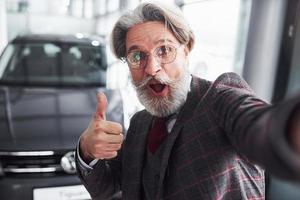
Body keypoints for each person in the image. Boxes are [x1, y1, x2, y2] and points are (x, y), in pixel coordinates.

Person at [75, 2, 300, 200]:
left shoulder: (219, 99)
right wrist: (86, 151)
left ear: (187, 50)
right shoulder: (138, 125)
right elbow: (108, 190)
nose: (152, 68)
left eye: (164, 50)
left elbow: (256, 124)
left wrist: (289, 129)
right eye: (137, 56)